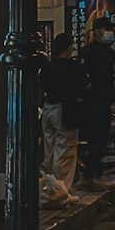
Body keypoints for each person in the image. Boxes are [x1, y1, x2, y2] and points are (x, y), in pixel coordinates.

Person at [40, 33, 87, 201]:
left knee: (49, 150)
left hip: (48, 109)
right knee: (65, 150)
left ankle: (48, 188)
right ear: (68, 49)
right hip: (66, 109)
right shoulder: (73, 67)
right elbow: (83, 86)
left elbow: (42, 85)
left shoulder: (47, 66)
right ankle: (62, 191)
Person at [79, 16, 115, 190]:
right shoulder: (96, 53)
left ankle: (94, 173)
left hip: (97, 101)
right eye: (106, 29)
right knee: (98, 139)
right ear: (97, 31)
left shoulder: (91, 51)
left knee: (98, 139)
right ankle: (89, 176)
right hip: (97, 102)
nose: (110, 33)